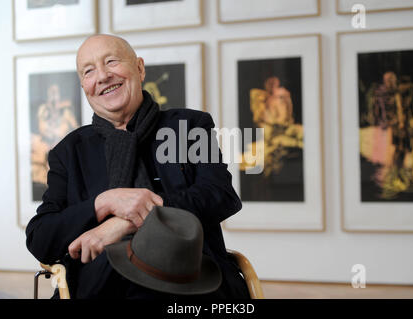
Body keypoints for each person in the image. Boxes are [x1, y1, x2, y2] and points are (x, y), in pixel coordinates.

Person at [26, 34, 249, 299]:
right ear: (84, 85)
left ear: (140, 68)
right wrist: (104, 203)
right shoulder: (68, 152)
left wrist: (124, 223)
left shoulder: (189, 128)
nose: (102, 76)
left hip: (190, 275)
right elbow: (41, 238)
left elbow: (220, 196)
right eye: (89, 71)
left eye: (111, 61)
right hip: (102, 283)